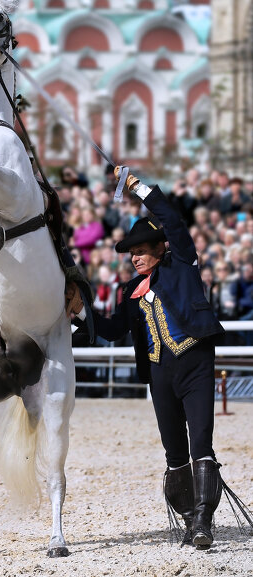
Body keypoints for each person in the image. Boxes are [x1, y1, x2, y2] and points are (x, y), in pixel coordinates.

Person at [69, 166, 252, 549]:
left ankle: (204, 520)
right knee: (174, 453)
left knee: (201, 441)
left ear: (159, 248)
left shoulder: (182, 263)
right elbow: (114, 329)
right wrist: (81, 312)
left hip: (195, 364)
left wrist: (136, 186)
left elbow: (171, 220)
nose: (134, 259)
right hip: (159, 373)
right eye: (131, 253)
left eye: (140, 251)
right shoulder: (130, 290)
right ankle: (189, 519)